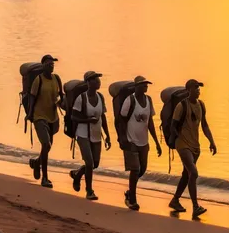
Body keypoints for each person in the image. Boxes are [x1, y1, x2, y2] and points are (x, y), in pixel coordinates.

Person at [168, 79, 217, 219]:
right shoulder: (181, 106)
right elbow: (173, 125)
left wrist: (212, 141)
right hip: (183, 144)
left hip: (195, 145)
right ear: (188, 90)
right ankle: (195, 206)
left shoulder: (201, 105)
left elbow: (205, 125)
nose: (198, 90)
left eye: (199, 88)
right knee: (193, 173)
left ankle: (175, 200)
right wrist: (179, 138)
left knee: (186, 174)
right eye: (195, 88)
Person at [120, 76, 162, 210]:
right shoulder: (129, 100)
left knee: (142, 169)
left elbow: (150, 122)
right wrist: (123, 139)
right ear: (136, 86)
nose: (146, 87)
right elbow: (121, 120)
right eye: (143, 85)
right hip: (131, 140)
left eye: (146, 85)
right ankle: (133, 200)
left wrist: (156, 142)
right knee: (135, 169)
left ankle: (130, 192)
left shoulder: (148, 100)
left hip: (144, 141)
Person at [69, 71, 111, 200]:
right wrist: (87, 121)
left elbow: (103, 116)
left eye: (98, 79)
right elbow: (73, 116)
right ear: (88, 82)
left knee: (95, 164)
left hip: (96, 134)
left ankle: (77, 174)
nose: (98, 81)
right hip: (82, 133)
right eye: (95, 79)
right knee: (89, 162)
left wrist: (108, 135)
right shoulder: (81, 98)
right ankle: (89, 190)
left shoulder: (101, 97)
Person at [26, 55, 63, 188]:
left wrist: (61, 103)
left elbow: (61, 97)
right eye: (48, 64)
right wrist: (30, 113)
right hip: (39, 116)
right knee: (46, 144)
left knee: (47, 146)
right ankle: (45, 178)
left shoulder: (57, 78)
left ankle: (37, 163)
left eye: (52, 64)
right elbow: (31, 97)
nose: (51, 66)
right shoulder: (38, 80)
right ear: (43, 66)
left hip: (52, 117)